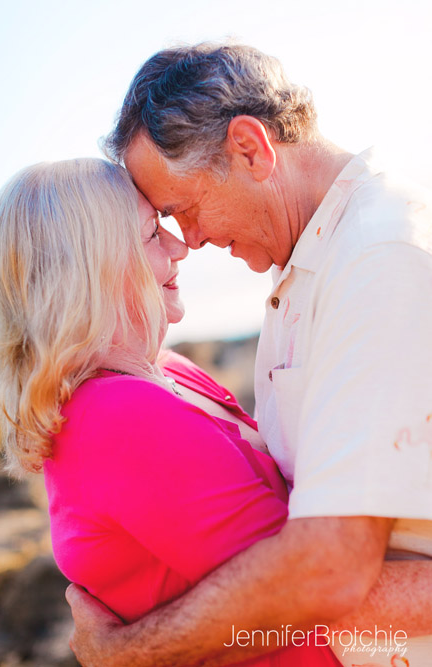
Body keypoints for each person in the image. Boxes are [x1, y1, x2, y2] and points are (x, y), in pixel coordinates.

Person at [67, 42, 432, 665]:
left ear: (250, 149)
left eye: (182, 210)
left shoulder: (377, 258)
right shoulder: (315, 258)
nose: (193, 241)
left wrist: (136, 650)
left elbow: (330, 572)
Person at [0, 157, 346, 666]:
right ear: (95, 266)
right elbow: (310, 589)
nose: (181, 246)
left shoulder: (166, 369)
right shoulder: (116, 414)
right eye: (153, 233)